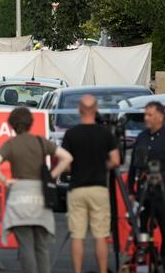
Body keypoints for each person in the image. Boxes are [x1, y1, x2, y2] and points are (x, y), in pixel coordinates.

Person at [0, 107, 72, 273]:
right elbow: (67, 158)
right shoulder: (41, 142)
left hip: (20, 197)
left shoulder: (10, 144)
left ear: (12, 125)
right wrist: (52, 176)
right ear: (31, 123)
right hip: (41, 196)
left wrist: (5, 181)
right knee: (41, 248)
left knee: (26, 247)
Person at [61, 95, 121, 273]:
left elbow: (66, 165)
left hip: (77, 188)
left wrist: (75, 168)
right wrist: (103, 166)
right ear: (95, 111)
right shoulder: (105, 133)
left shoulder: (71, 134)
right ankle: (103, 270)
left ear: (79, 110)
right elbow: (116, 160)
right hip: (99, 188)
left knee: (77, 236)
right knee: (100, 235)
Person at [128, 101, 165, 272]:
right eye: (145, 114)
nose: (146, 118)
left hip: (163, 193)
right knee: (141, 232)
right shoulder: (141, 137)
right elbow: (133, 165)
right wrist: (131, 188)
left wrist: (163, 176)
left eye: (150, 115)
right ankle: (143, 265)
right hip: (143, 193)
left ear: (160, 117)